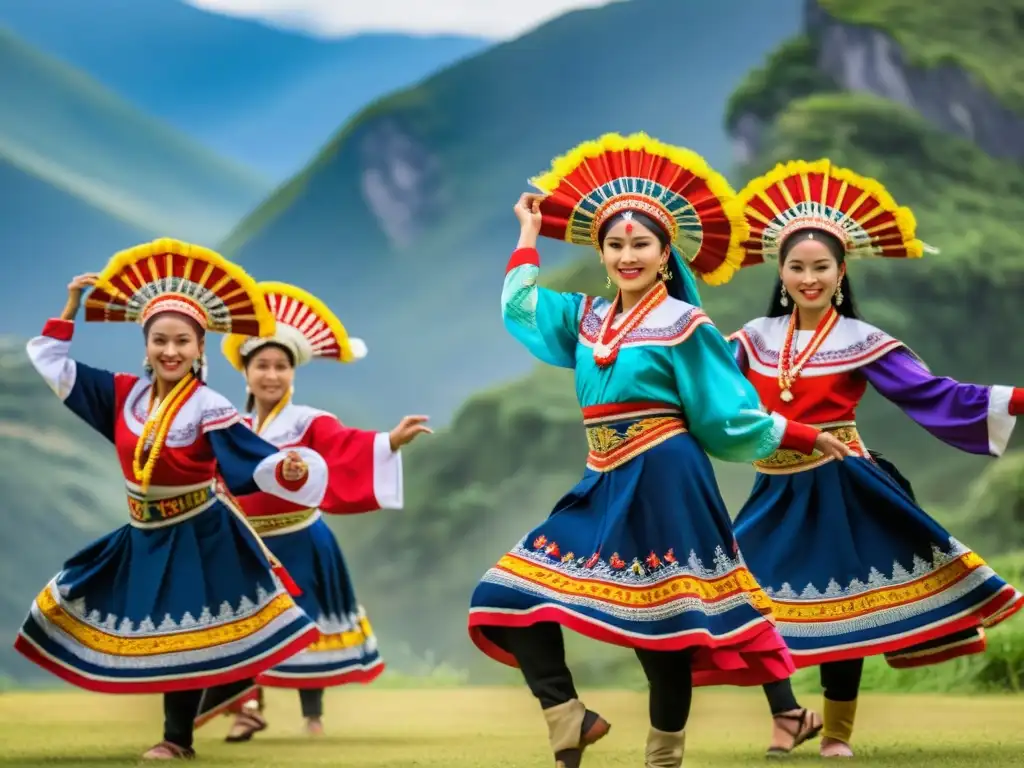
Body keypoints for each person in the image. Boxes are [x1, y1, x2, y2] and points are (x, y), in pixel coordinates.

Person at [467, 133, 852, 768]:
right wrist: (528, 235)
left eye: (640, 244)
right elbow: (520, 307)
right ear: (601, 251)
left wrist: (803, 434)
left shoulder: (685, 323)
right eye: (614, 244)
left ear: (665, 252)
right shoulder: (585, 319)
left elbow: (726, 411)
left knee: (665, 628)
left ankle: (663, 756)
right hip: (601, 476)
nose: (626, 255)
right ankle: (569, 717)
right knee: (506, 594)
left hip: (667, 473)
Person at [725, 159, 1024, 758]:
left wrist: (1016, 397)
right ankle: (789, 715)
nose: (809, 278)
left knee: (846, 610)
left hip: (843, 485)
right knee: (740, 600)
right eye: (797, 266)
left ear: (840, 273)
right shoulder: (751, 337)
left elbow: (932, 392)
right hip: (774, 486)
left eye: (821, 267)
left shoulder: (859, 340)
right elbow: (710, 392)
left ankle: (835, 734)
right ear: (780, 272)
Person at [13, 239, 332, 761]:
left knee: (186, 633)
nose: (170, 351)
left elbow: (248, 458)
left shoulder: (209, 405)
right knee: (72, 594)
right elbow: (52, 364)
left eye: (182, 341)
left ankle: (176, 740)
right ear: (145, 345)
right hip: (142, 531)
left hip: (198, 532)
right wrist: (72, 307)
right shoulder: (123, 396)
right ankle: (212, 711)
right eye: (160, 340)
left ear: (200, 348)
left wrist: (287, 466)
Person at [190, 281, 432, 740]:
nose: (271, 375)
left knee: (306, 623)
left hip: (300, 538)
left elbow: (344, 447)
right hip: (249, 541)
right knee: (243, 622)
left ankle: (313, 716)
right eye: (261, 365)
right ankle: (247, 708)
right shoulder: (233, 424)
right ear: (246, 372)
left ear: (293, 373)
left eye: (280, 366)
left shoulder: (307, 421)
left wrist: (390, 440)